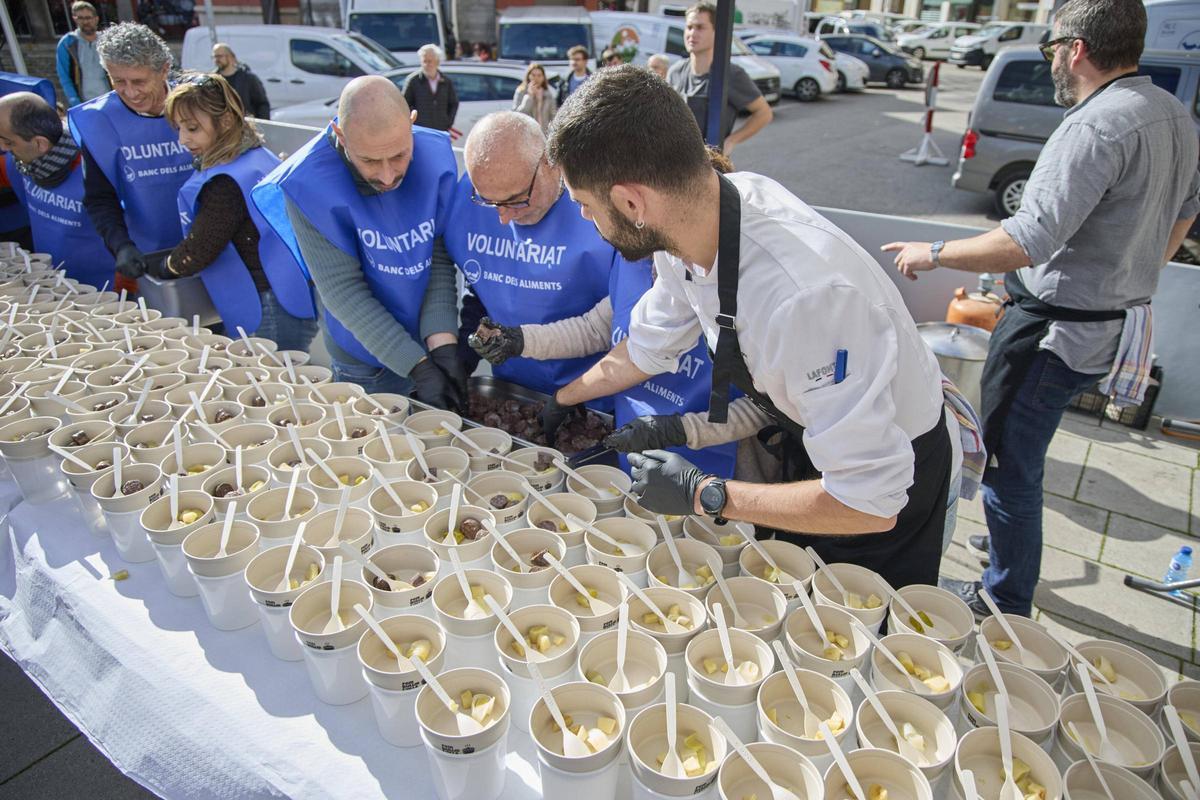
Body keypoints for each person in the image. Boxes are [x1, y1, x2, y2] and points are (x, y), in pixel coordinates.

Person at [546, 66, 951, 589]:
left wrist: (706, 493)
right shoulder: (694, 219)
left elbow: (870, 503)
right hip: (814, 445)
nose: (584, 218)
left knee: (856, 633)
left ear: (631, 202)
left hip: (887, 480)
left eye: (584, 204)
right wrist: (563, 399)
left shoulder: (804, 302)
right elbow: (645, 348)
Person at [883, 0, 1200, 616]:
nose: (1051, 58)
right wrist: (1136, 270)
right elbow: (1189, 208)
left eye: (1051, 47)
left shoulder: (1093, 126)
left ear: (1076, 49)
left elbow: (1027, 238)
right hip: (1110, 322)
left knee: (1008, 467)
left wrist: (936, 250)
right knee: (1026, 455)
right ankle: (1011, 543)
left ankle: (1005, 595)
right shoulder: (1172, 112)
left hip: (1057, 335)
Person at [470, 145, 744, 479]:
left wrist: (682, 430)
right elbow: (598, 328)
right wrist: (518, 340)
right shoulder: (638, 260)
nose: (587, 218)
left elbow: (761, 411)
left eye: (589, 206)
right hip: (634, 448)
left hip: (711, 466)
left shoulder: (737, 282)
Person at [252, 76, 464, 408]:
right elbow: (342, 291)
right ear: (340, 134)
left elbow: (435, 256)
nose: (387, 176)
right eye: (368, 161)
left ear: (411, 123)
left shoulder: (434, 160)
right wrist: (418, 367)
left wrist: (443, 343)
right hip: (364, 356)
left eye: (398, 155)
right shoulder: (308, 185)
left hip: (423, 335)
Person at [444, 112, 614, 402]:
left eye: (517, 199)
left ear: (550, 162)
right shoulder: (478, 198)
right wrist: (463, 355)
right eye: (489, 202)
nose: (503, 217)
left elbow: (614, 320)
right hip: (513, 389)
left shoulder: (601, 207)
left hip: (594, 392)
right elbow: (483, 284)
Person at [153, 75, 316, 352]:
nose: (183, 139)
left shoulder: (224, 183)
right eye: (178, 128)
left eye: (192, 128)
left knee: (269, 384)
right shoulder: (257, 153)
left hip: (264, 302)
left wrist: (166, 266)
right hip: (290, 291)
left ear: (226, 121)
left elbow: (200, 249)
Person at [68, 22, 193, 294]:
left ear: (163, 70)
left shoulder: (197, 104)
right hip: (146, 258)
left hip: (209, 250)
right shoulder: (98, 122)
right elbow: (99, 198)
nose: (131, 93)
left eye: (139, 81)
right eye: (118, 81)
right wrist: (120, 245)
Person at [0, 91, 113, 288]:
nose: (4, 147)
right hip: (50, 280)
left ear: (39, 143)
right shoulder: (18, 161)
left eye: (9, 142)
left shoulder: (98, 168)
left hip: (104, 290)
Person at [667, 2, 772, 153]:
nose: (692, 33)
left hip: (709, 167)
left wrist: (731, 141)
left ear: (716, 32)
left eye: (700, 27)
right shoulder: (676, 71)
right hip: (676, 165)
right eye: (689, 27)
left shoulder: (731, 74)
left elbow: (764, 113)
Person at [57, 1, 111, 108]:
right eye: (81, 18)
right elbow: (64, 77)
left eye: (88, 17)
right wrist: (75, 102)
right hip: (85, 102)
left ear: (96, 18)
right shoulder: (67, 43)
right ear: (75, 19)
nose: (85, 22)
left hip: (110, 98)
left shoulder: (107, 40)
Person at [402, 44, 458, 132]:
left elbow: (453, 103)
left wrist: (448, 122)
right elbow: (404, 104)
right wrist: (413, 120)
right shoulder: (413, 81)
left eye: (430, 61)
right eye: (424, 61)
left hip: (440, 130)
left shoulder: (446, 82)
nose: (427, 64)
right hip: (420, 130)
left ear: (437, 61)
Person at [212, 43, 270, 120]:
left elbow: (262, 105)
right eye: (214, 56)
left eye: (219, 56)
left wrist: (262, 126)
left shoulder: (248, 78)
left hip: (245, 125)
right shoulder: (212, 80)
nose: (217, 60)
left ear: (230, 57)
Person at [513, 63, 557, 134]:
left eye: (539, 75)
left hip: (544, 133)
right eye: (533, 75)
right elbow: (518, 115)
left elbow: (553, 116)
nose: (536, 78)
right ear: (528, 76)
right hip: (526, 133)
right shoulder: (521, 92)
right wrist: (529, 97)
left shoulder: (548, 94)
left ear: (543, 77)